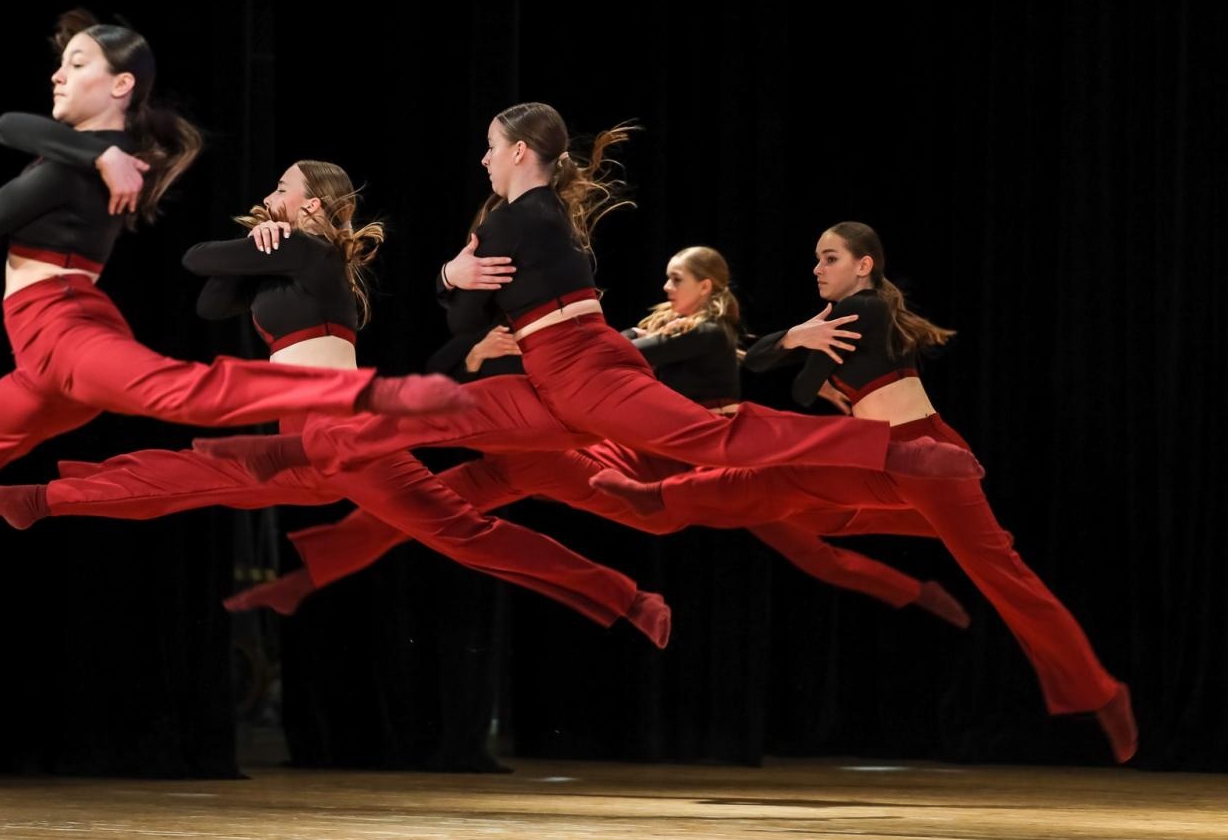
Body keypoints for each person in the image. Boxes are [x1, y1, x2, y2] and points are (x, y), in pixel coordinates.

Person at [0, 11, 465, 581]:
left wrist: (89, 158)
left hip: (68, 330)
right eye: (61, 63)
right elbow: (13, 130)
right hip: (40, 354)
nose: (59, 74)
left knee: (185, 393)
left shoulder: (103, 166)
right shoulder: (98, 158)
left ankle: (388, 397)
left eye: (79, 64)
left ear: (121, 86)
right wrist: (93, 151)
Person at [0, 159, 674, 646]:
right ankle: (40, 502)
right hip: (304, 436)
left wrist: (260, 240)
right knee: (194, 476)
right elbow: (213, 299)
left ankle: (627, 597)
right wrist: (256, 240)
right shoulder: (287, 256)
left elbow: (192, 261)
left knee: (462, 533)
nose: (268, 193)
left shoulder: (312, 255)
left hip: (341, 430)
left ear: (308, 201)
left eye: (281, 187)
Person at [194, 101, 985, 488]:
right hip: (552, 375)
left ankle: (890, 452)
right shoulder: (529, 216)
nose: (481, 160)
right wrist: (458, 281)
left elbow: (467, 313)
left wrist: (452, 277)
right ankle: (279, 449)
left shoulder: (522, 213)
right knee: (434, 412)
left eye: (492, 149)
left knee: (710, 440)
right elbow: (468, 318)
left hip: (588, 372)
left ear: (525, 153)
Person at [588, 222, 1138, 763]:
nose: (817, 268)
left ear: (864, 265)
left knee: (1004, 580)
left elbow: (801, 388)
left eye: (830, 258)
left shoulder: (866, 308)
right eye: (817, 258)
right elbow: (758, 360)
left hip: (923, 459)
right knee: (795, 497)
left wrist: (800, 346)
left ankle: (1102, 693)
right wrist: (799, 342)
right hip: (876, 458)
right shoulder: (844, 317)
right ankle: (658, 496)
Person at [228, 244, 969, 630]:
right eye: (670, 277)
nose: (668, 285)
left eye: (679, 278)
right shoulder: (663, 322)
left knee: (819, 545)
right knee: (442, 498)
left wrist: (546, 342)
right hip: (617, 452)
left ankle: (923, 547)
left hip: (680, 460)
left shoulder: (706, 328)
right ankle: (305, 578)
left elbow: (637, 360)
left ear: (707, 288)